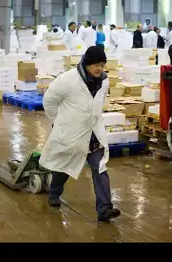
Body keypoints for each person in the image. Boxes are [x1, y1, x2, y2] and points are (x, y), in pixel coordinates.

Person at [41, 46, 121, 222]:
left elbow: (98, 105)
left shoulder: (104, 81)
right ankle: (54, 193)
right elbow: (49, 101)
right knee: (64, 166)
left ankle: (104, 209)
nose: (99, 68)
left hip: (94, 133)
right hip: (73, 133)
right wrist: (58, 121)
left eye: (102, 65)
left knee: (100, 168)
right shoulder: (67, 80)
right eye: (95, 65)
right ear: (86, 64)